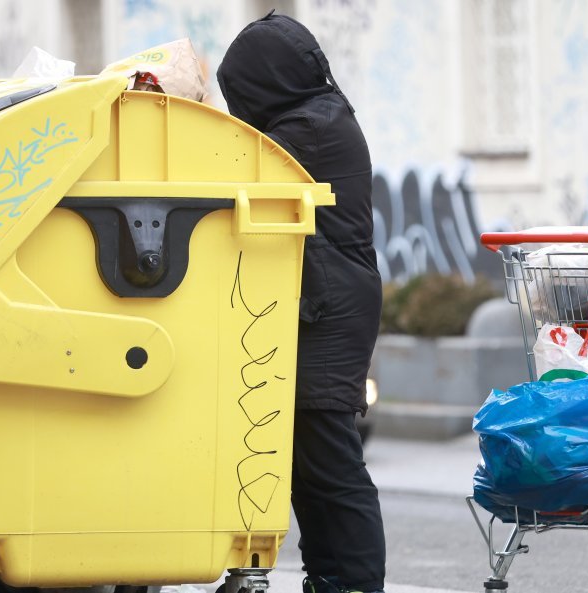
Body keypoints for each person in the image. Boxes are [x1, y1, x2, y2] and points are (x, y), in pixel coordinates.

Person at [217, 12, 386, 593]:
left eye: (240, 89)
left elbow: (224, 169)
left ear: (267, 81)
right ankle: (328, 577)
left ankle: (353, 582)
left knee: (330, 462)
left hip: (331, 308)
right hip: (324, 300)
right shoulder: (311, 115)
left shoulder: (309, 128)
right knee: (306, 464)